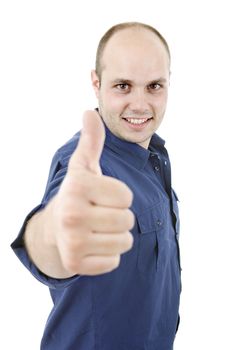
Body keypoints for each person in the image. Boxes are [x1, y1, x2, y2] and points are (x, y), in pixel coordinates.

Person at [11, 21, 181, 350]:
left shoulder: (156, 156)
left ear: (168, 83)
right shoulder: (85, 165)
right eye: (123, 86)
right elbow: (55, 231)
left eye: (154, 87)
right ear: (96, 83)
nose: (140, 104)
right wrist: (52, 234)